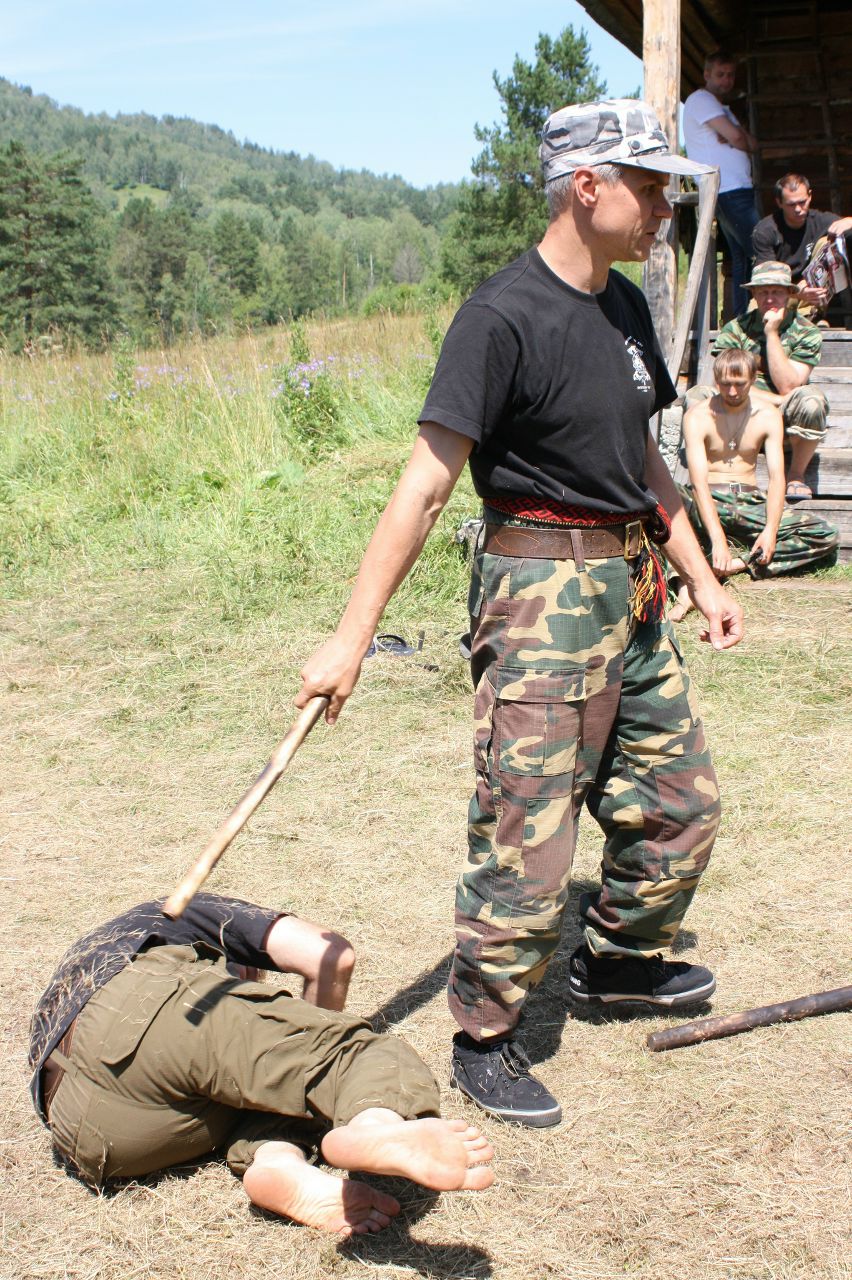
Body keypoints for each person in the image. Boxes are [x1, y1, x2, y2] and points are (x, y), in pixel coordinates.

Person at [297, 99, 743, 1129]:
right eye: (651, 186)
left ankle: (618, 962)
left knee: (680, 802)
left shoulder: (623, 304)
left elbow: (642, 458)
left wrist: (702, 573)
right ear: (587, 187)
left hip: (631, 589)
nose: (666, 207)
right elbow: (424, 487)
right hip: (539, 592)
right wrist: (351, 639)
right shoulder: (499, 318)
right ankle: (485, 1037)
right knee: (529, 830)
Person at [29, 894, 494, 1235]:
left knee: (268, 1089)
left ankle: (278, 1161)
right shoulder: (182, 913)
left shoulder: (87, 955)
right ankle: (378, 1124)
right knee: (350, 1058)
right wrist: (319, 1053)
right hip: (143, 1004)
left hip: (86, 1129)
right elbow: (329, 954)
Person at [669, 350, 838, 620]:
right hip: (707, 498)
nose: (732, 391)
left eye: (740, 384)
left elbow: (776, 477)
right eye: (725, 384)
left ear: (753, 380)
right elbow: (698, 482)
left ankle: (738, 564)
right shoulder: (698, 416)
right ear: (716, 380)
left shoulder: (768, 415)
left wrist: (771, 530)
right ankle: (686, 585)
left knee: (825, 533)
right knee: (664, 503)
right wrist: (718, 540)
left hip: (749, 501)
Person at [709, 260, 828, 500]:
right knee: (697, 397)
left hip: (786, 420)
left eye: (777, 292)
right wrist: (775, 400)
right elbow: (723, 384)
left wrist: (771, 333)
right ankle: (713, 474)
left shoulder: (807, 331)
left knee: (812, 401)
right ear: (754, 294)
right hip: (740, 412)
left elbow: (790, 385)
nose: (770, 298)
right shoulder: (735, 330)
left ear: (789, 294)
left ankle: (796, 475)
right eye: (763, 292)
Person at [682, 50, 759, 315]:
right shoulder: (701, 99)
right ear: (706, 74)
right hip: (728, 189)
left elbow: (748, 141)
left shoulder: (722, 109)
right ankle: (756, 318)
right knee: (760, 250)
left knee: (742, 258)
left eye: (730, 75)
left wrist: (740, 137)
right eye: (720, 75)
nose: (726, 80)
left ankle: (743, 319)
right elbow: (739, 139)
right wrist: (739, 138)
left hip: (733, 189)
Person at [752, 172, 852, 313]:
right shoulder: (765, 231)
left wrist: (849, 221)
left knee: (830, 239)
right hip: (779, 293)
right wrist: (796, 292)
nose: (798, 209)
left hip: (812, 294)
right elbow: (766, 281)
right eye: (791, 205)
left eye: (802, 202)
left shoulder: (820, 221)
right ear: (779, 202)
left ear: (810, 196)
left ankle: (815, 315)